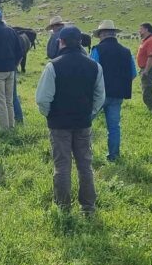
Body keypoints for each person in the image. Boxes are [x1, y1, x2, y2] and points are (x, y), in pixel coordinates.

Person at [35, 27, 105, 214]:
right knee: (85, 165)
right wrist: (90, 114)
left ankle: (63, 207)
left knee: (62, 165)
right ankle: (88, 207)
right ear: (80, 42)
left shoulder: (53, 66)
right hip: (83, 122)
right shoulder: (94, 66)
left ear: (61, 42)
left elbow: (42, 98)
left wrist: (49, 114)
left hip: (59, 124)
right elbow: (100, 97)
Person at [90, 20, 136, 161]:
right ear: (114, 34)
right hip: (118, 95)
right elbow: (133, 73)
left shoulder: (97, 50)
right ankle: (114, 156)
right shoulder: (126, 52)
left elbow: (91, 72)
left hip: (99, 94)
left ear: (101, 34)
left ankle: (85, 153)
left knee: (85, 123)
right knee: (114, 127)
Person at [136, 22, 152, 114]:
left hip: (149, 69)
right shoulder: (146, 40)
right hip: (146, 68)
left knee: (147, 92)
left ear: (146, 29)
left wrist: (146, 71)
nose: (139, 31)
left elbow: (151, 57)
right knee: (146, 90)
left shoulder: (151, 41)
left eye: (141, 29)